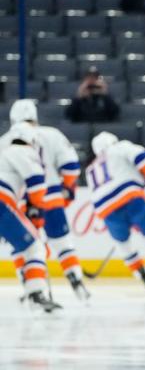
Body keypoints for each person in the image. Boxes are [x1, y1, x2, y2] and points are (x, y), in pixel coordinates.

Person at [0, 100, 89, 300]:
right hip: (51, 197)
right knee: (62, 242)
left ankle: (30, 286)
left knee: (23, 245)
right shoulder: (52, 134)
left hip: (20, 203)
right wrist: (68, 189)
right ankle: (76, 280)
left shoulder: (5, 140)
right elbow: (71, 166)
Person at [85, 132, 145, 293]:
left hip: (105, 209)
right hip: (130, 198)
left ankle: (142, 274)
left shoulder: (90, 168)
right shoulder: (120, 147)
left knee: (123, 244)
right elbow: (141, 158)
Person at [0, 124, 61, 312]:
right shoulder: (24, 151)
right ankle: (36, 293)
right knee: (35, 247)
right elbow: (36, 186)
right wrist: (37, 214)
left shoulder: (4, 152)